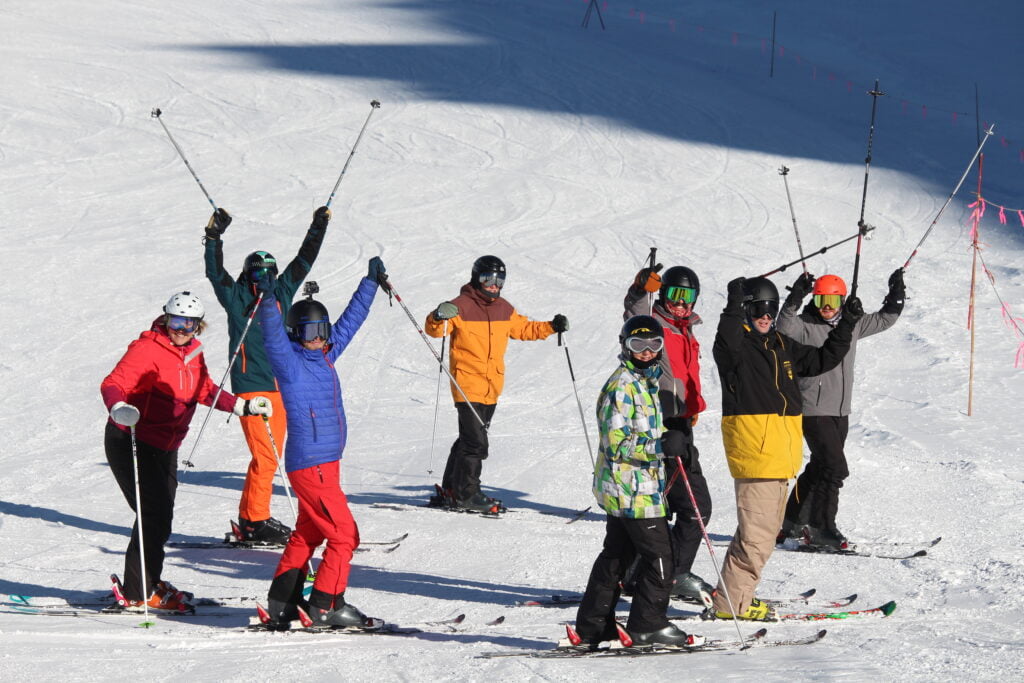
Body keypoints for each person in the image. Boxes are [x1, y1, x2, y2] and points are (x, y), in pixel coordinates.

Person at [101, 291, 273, 611]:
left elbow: (204, 389)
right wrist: (119, 407)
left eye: (189, 323)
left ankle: (148, 581)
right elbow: (113, 383)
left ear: (198, 326)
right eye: (176, 321)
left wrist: (241, 406)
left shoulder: (193, 353)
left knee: (160, 517)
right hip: (131, 439)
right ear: (166, 318)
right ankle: (138, 591)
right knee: (152, 515)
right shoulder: (146, 349)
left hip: (166, 446)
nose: (181, 329)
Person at [708, 276, 860, 621]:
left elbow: (824, 359)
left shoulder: (779, 343)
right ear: (746, 310)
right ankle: (735, 605)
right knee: (757, 539)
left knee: (755, 536)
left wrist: (847, 323)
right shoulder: (735, 349)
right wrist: (733, 303)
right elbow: (727, 336)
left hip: (781, 457)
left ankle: (733, 598)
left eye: (771, 308)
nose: (765, 315)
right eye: (758, 308)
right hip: (756, 456)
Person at [257, 258, 385, 629]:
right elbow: (271, 335)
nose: (317, 337)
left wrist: (370, 284)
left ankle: (283, 601)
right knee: (345, 535)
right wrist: (267, 300)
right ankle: (326, 605)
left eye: (322, 330)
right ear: (296, 333)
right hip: (310, 465)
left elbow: (351, 321)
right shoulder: (291, 364)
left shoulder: (326, 356)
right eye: (309, 330)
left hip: (325, 463)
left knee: (309, 532)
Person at [203, 206, 331, 544]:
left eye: (269, 274)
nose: (264, 281)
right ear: (248, 276)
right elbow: (216, 274)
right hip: (251, 388)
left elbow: (304, 260)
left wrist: (318, 226)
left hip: (284, 386)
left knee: (272, 457)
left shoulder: (282, 294)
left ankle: (249, 516)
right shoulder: (237, 298)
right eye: (257, 274)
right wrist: (214, 237)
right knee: (266, 456)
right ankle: (256, 521)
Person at [573, 315, 699, 647]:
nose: (646, 352)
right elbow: (617, 443)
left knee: (617, 556)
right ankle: (647, 623)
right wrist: (659, 446)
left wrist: (670, 444)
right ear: (625, 346)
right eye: (637, 345)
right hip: (632, 490)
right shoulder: (622, 386)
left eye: (653, 345)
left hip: (631, 487)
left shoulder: (646, 383)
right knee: (661, 557)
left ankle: (593, 625)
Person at [425, 255, 567, 513]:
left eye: (499, 280)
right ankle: (467, 494)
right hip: (467, 384)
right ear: (476, 278)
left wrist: (551, 327)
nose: (493, 285)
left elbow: (525, 329)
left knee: (468, 440)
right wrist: (437, 315)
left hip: (491, 387)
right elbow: (436, 330)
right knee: (476, 444)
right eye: (488, 279)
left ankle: (452, 489)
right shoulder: (460, 306)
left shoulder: (504, 308)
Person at [775, 269, 905, 548]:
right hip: (813, 408)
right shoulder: (806, 325)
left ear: (843, 301)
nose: (827, 308)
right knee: (834, 469)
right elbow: (783, 325)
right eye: (822, 300)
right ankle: (822, 528)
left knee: (820, 466)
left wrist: (896, 294)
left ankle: (792, 522)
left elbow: (885, 319)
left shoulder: (851, 323)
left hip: (840, 409)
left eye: (833, 302)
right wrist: (796, 296)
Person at [624, 263, 713, 604]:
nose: (680, 302)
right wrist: (639, 289)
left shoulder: (686, 330)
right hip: (661, 427)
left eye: (687, 296)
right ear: (663, 295)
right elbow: (635, 313)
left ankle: (645, 574)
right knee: (694, 506)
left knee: (671, 505)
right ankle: (670, 574)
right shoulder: (656, 323)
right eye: (674, 294)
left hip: (682, 427)